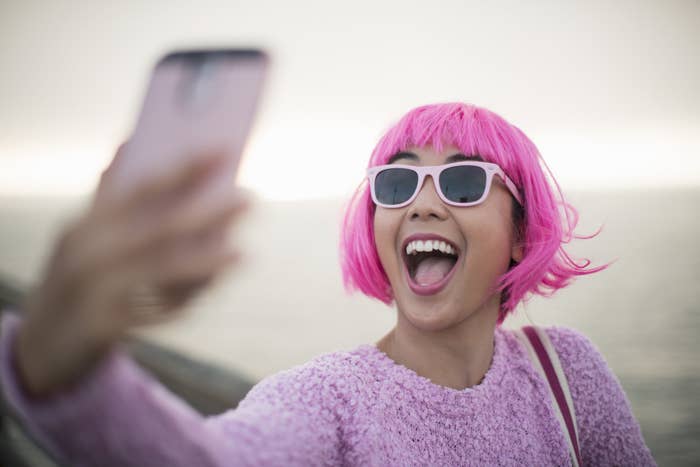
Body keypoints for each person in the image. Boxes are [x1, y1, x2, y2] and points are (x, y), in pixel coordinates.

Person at [0, 102, 656, 466]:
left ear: (519, 231)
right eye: (397, 183)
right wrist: (60, 370)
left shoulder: (567, 371)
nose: (423, 205)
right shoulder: (328, 399)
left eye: (462, 181)